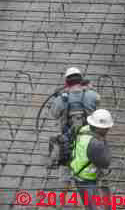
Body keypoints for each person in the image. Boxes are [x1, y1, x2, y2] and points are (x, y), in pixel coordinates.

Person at [48, 67, 101, 207]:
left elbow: (53, 114)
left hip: (67, 143)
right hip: (89, 142)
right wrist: (89, 89)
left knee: (65, 174)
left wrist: (57, 97)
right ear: (81, 79)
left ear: (67, 82)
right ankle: (91, 203)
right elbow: (98, 105)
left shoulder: (61, 99)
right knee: (89, 172)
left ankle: (61, 204)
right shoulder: (92, 95)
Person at [70, 109, 113, 210]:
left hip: (77, 174)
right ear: (99, 128)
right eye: (106, 128)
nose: (108, 130)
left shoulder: (84, 129)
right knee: (95, 207)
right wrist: (104, 144)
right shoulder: (96, 144)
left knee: (88, 205)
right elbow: (105, 163)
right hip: (88, 179)